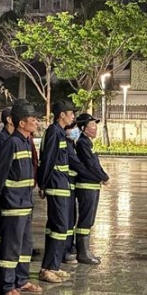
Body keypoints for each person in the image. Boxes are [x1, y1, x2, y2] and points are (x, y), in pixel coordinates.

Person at [0, 101, 44, 295]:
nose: (36, 122)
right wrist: (1, 200)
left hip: (25, 203)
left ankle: (21, 280)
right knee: (11, 247)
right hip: (13, 205)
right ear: (22, 123)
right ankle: (6, 285)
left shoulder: (25, 141)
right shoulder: (12, 143)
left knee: (25, 245)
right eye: (33, 120)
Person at [38, 100, 83, 283]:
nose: (73, 116)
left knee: (60, 228)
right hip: (56, 186)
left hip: (62, 184)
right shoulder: (53, 132)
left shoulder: (60, 133)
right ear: (62, 115)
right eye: (70, 112)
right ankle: (48, 268)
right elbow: (47, 160)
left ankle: (53, 266)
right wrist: (43, 184)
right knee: (59, 227)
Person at [73, 112, 110, 265]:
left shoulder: (87, 142)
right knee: (86, 218)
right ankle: (82, 253)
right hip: (86, 185)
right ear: (83, 128)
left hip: (92, 185)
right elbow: (91, 164)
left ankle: (85, 250)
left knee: (90, 219)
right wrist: (104, 176)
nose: (95, 129)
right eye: (92, 125)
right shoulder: (82, 143)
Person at [63, 119, 83, 263]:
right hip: (64, 185)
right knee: (66, 219)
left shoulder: (72, 143)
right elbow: (75, 162)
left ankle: (70, 245)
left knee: (71, 217)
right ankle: (66, 248)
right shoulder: (65, 142)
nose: (75, 131)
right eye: (73, 128)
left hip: (70, 185)